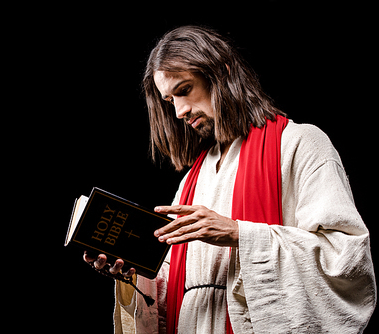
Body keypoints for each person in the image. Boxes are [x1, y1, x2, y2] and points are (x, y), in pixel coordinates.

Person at [83, 25, 376, 333]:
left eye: (184, 90)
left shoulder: (300, 144)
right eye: (170, 101)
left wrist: (240, 234)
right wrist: (133, 273)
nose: (180, 111)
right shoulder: (191, 181)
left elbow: (346, 259)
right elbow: (173, 287)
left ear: (221, 72)